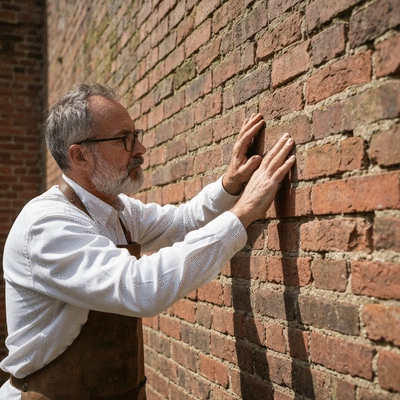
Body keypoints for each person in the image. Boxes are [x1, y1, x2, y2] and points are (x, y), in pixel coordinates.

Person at [0, 83, 296, 399]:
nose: (140, 148)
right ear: (80, 155)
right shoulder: (46, 225)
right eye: (124, 140)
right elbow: (142, 288)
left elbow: (182, 222)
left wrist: (230, 184)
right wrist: (244, 212)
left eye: (135, 135)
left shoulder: (118, 210)